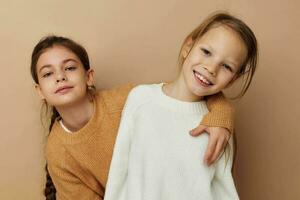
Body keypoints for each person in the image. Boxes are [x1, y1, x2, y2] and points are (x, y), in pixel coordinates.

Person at [31, 34, 235, 199]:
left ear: (89, 76)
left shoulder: (129, 99)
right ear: (40, 91)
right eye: (48, 73)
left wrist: (222, 116)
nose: (60, 77)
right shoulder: (58, 151)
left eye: (69, 68)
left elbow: (186, 91)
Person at [104, 12, 258, 200]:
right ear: (188, 46)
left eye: (226, 66)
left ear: (232, 80)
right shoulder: (140, 98)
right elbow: (118, 173)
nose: (211, 68)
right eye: (207, 52)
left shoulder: (218, 127)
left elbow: (223, 191)